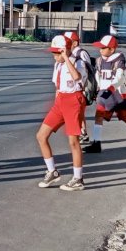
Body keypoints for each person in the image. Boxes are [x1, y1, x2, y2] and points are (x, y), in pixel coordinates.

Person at [36, 35, 88, 191]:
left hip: (74, 100)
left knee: (73, 142)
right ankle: (52, 171)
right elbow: (57, 86)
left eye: (57, 53)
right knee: (41, 136)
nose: (55, 56)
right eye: (54, 53)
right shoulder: (57, 65)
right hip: (60, 101)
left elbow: (77, 77)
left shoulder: (78, 62)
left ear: (65, 50)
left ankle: (78, 179)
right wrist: (57, 101)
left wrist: (66, 58)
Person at [83, 35, 126, 153]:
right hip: (105, 93)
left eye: (103, 47)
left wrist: (111, 88)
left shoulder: (119, 59)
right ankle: (96, 143)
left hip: (119, 95)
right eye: (100, 47)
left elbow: (120, 78)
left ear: (112, 49)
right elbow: (98, 75)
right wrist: (99, 89)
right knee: (99, 116)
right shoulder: (99, 60)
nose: (100, 50)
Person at [64, 31, 93, 144]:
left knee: (78, 112)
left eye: (67, 41)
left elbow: (87, 72)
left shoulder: (81, 53)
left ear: (75, 43)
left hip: (82, 88)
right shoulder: (70, 53)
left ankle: (81, 133)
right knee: (79, 112)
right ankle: (82, 133)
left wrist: (84, 88)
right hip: (74, 88)